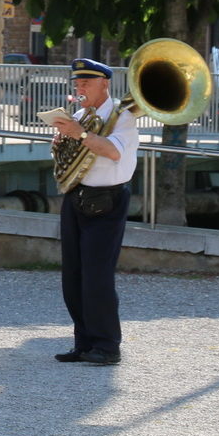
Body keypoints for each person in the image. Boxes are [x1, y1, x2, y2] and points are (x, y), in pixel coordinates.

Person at [51, 59, 138, 366]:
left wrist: (80, 135)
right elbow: (67, 155)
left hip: (107, 200)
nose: (80, 88)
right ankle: (84, 342)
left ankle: (108, 345)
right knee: (73, 276)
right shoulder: (79, 115)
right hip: (76, 196)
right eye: (78, 83)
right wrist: (61, 143)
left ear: (105, 83)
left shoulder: (123, 117)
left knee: (98, 276)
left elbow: (114, 151)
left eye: (87, 82)